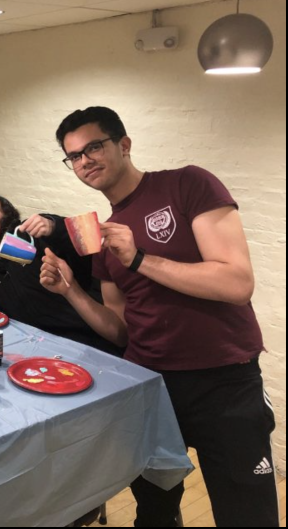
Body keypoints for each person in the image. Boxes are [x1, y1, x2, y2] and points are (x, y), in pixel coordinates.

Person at [40, 106, 278, 527]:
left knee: (247, 513)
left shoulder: (187, 184)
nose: (84, 161)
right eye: (73, 155)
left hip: (225, 382)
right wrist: (71, 291)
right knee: (154, 511)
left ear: (125, 144)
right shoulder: (106, 236)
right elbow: (121, 330)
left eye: (93, 147)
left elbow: (237, 282)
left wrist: (139, 258)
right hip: (152, 387)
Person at [0, 196, 121, 355]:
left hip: (89, 346)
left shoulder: (31, 238)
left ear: (7, 216)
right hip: (40, 352)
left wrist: (53, 225)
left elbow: (91, 238)